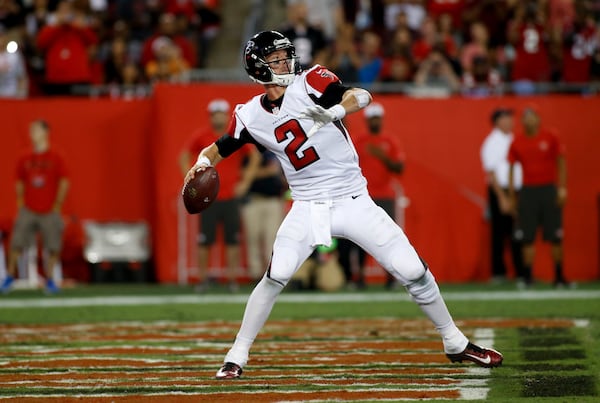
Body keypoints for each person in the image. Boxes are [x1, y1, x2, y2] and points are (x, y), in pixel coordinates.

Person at [184, 30, 503, 379]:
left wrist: (334, 110)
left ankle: (454, 341)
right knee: (276, 275)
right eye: (275, 59)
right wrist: (202, 162)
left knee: (412, 271)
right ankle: (236, 355)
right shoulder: (249, 115)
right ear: (258, 68)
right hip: (306, 206)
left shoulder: (311, 81)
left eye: (285, 55)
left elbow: (360, 95)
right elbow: (219, 148)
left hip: (353, 199)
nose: (285, 62)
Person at [179, 99, 259, 292]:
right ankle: (203, 279)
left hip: (230, 195)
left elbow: (255, 156)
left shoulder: (234, 135)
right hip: (208, 199)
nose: (218, 118)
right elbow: (183, 157)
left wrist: (246, 182)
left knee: (232, 240)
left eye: (221, 114)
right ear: (211, 116)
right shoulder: (202, 136)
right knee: (205, 240)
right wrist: (192, 182)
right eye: (215, 114)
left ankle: (232, 279)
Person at [339, 102, 405, 290]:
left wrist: (382, 156)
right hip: (363, 196)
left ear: (381, 119)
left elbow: (400, 168)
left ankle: (391, 278)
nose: (374, 121)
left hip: (385, 196)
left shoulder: (390, 141)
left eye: (377, 117)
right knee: (360, 238)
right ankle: (359, 278)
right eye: (371, 118)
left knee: (387, 237)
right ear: (367, 120)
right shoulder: (359, 140)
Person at [1, 120, 69, 294]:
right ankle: (9, 276)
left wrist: (57, 204)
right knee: (17, 242)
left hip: (49, 209)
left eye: (36, 130)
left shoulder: (56, 156)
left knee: (53, 245)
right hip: (29, 208)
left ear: (46, 132)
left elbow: (64, 180)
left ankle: (50, 279)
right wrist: (21, 202)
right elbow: (19, 181)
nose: (32, 133)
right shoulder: (25, 157)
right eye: (31, 130)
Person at [508, 106, 568, 287]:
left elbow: (561, 161)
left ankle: (558, 276)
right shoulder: (517, 141)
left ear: (538, 119)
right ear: (522, 121)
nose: (529, 120)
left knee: (555, 236)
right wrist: (512, 196)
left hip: (548, 189)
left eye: (532, 116)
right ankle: (528, 277)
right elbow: (511, 168)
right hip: (528, 192)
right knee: (527, 237)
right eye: (526, 117)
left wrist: (563, 188)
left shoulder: (550, 137)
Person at [480, 108, 525, 284]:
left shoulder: (514, 138)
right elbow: (491, 172)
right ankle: (498, 272)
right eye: (505, 119)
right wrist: (501, 197)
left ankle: (521, 270)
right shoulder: (493, 142)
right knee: (499, 232)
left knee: (517, 231)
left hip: (516, 188)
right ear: (497, 122)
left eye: (510, 118)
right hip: (501, 189)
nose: (509, 122)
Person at [241, 150, 286, 283]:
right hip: (253, 200)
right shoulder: (248, 152)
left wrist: (257, 173)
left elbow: (283, 176)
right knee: (252, 237)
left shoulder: (276, 152)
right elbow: (244, 174)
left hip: (273, 200)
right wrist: (267, 171)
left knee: (273, 238)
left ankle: (272, 273)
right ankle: (255, 274)